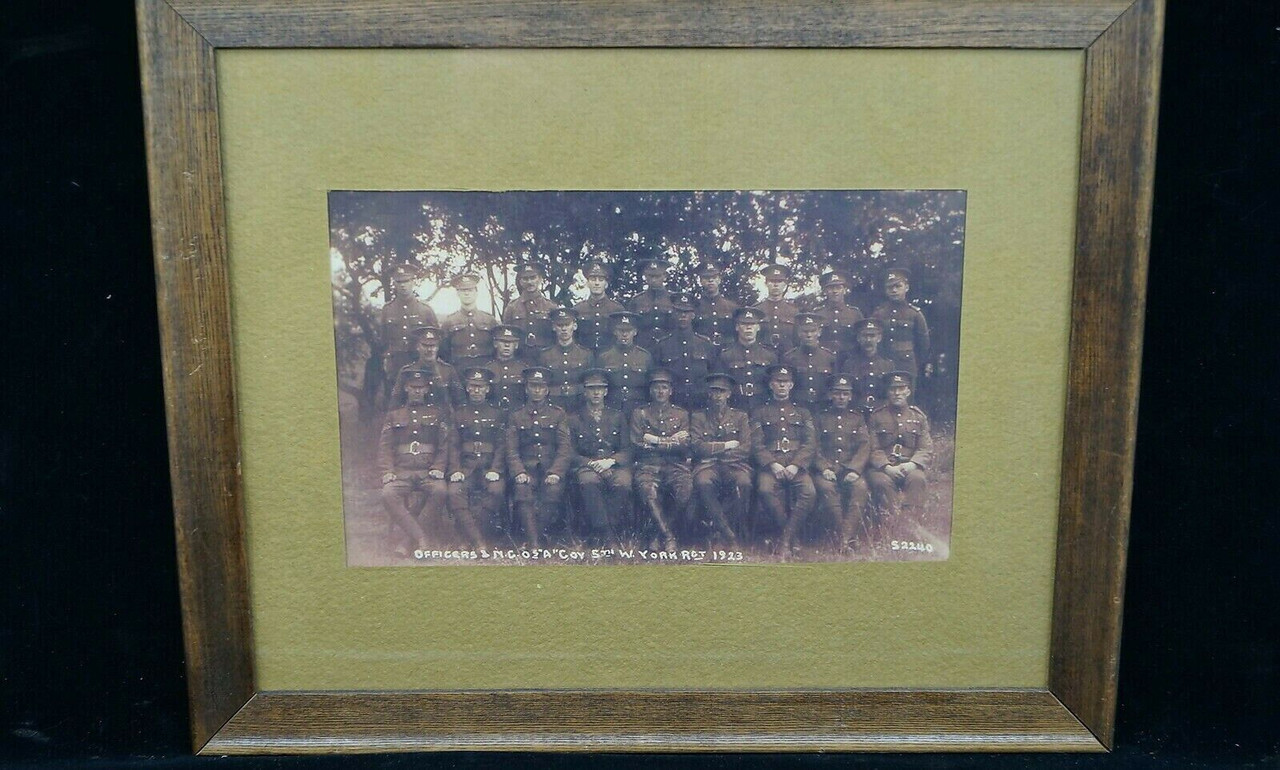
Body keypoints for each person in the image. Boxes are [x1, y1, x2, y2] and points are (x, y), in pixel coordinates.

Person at [377, 371, 457, 556]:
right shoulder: (394, 415)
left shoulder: (437, 414)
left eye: (420, 388)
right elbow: (385, 447)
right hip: (402, 471)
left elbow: (444, 446)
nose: (417, 392)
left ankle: (407, 542)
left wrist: (438, 468)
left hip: (427, 471)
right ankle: (421, 538)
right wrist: (387, 471)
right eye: (413, 388)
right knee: (387, 494)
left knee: (440, 491)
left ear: (427, 389)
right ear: (406, 388)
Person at [751, 365, 817, 558]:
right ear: (771, 385)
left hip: (796, 464)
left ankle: (785, 539)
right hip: (772, 464)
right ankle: (791, 539)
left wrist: (796, 464)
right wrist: (772, 464)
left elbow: (810, 443)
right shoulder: (759, 412)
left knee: (809, 492)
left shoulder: (803, 412)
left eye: (785, 382)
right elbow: (756, 443)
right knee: (764, 489)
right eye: (778, 382)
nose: (782, 386)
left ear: (791, 385)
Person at [865, 371, 935, 544]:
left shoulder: (918, 416)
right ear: (887, 392)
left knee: (918, 479)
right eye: (892, 389)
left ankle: (911, 527)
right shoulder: (876, 416)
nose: (897, 393)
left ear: (908, 391)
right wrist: (887, 467)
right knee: (882, 483)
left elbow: (926, 448)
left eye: (901, 388)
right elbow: (872, 447)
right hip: (883, 468)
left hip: (909, 465)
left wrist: (912, 464)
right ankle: (888, 528)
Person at [505, 367, 571, 547]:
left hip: (550, 467)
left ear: (547, 390)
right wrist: (519, 471)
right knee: (522, 490)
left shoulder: (558, 414)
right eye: (533, 386)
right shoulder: (516, 415)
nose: (537, 390)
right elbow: (511, 450)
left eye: (541, 387)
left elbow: (564, 447)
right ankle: (535, 543)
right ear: (526, 388)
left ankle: (535, 537)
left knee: (553, 491)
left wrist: (556, 472)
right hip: (526, 469)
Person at [567, 369, 633, 545]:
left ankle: (608, 528)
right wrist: (591, 463)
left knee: (623, 484)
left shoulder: (617, 416)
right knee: (589, 482)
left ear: (606, 391)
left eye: (600, 388)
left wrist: (610, 461)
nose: (596, 393)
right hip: (587, 466)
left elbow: (627, 449)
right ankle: (606, 534)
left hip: (613, 464)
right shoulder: (574, 418)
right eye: (591, 389)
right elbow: (570, 452)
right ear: (585, 391)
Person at [629, 369, 692, 551]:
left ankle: (658, 534)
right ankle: (669, 536)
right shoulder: (640, 413)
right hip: (648, 464)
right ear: (651, 391)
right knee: (648, 490)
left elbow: (685, 444)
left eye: (664, 388)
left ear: (671, 391)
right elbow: (637, 443)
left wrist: (655, 440)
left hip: (675, 464)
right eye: (656, 388)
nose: (660, 392)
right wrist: (672, 440)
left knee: (684, 490)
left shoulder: (681, 414)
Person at [689, 373, 752, 549]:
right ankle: (728, 534)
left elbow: (746, 447)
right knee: (703, 483)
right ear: (708, 394)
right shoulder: (699, 417)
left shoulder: (740, 417)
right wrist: (726, 445)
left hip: (734, 464)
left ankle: (719, 529)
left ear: (729, 394)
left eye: (721, 392)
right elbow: (696, 445)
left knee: (744, 483)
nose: (717, 396)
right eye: (713, 392)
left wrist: (718, 454)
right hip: (707, 466)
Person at [446, 368, 506, 547]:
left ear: (488, 389)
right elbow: (454, 446)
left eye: (481, 387)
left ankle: (477, 536)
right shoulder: (459, 414)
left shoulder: (497, 413)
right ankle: (478, 540)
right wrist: (456, 470)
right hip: (466, 467)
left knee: (495, 491)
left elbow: (502, 446)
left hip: (489, 467)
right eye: (473, 386)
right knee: (454, 491)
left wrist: (496, 469)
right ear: (467, 388)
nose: (477, 390)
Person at [811, 374, 872, 551]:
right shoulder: (820, 417)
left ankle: (844, 539)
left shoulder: (857, 417)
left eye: (845, 394)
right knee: (827, 489)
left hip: (849, 468)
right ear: (831, 395)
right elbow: (813, 446)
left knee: (860, 488)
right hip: (826, 469)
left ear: (851, 396)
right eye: (837, 393)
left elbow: (864, 445)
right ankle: (843, 538)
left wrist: (854, 469)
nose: (841, 397)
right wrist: (824, 468)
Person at [381, 263, 439, 400]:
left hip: (421, 365)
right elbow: (383, 341)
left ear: (413, 282)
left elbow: (437, 340)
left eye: (406, 281)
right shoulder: (387, 310)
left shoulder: (425, 310)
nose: (403, 285)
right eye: (399, 281)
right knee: (396, 404)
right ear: (394, 283)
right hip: (396, 366)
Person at [652, 292, 718, 411]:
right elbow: (657, 376)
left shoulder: (705, 344)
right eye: (679, 312)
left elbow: (713, 374)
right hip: (673, 403)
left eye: (686, 312)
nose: (683, 316)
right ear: (673, 314)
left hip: (701, 403)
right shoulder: (663, 345)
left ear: (693, 315)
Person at [871, 266, 930, 383]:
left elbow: (923, 345)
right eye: (890, 287)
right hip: (883, 365)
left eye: (898, 286)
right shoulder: (879, 314)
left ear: (906, 287)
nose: (894, 290)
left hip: (907, 367)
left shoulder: (915, 314)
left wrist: (915, 363)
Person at [716, 307, 777, 413]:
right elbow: (722, 385)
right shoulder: (726, 355)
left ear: (758, 327)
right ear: (737, 327)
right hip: (736, 406)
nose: (748, 328)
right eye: (744, 324)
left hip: (763, 406)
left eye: (752, 324)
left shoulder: (769, 355)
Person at [388, 325, 463, 410]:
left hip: (442, 420)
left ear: (438, 347)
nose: (429, 350)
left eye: (433, 346)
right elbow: (395, 404)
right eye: (425, 345)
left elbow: (460, 402)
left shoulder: (448, 371)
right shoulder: (407, 372)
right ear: (418, 347)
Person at [596, 311, 654, 416]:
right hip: (612, 408)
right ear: (615, 332)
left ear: (635, 332)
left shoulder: (645, 356)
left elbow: (650, 386)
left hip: (638, 408)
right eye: (621, 330)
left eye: (628, 330)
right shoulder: (604, 357)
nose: (625, 334)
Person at [538, 307, 595, 412]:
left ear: (574, 326)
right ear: (554, 327)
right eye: (560, 325)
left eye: (567, 325)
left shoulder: (586, 354)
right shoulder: (545, 355)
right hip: (553, 405)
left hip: (579, 405)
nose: (564, 329)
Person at [439, 273, 497, 371]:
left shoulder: (489, 320)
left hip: (485, 374)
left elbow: (497, 350)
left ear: (476, 292)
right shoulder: (449, 322)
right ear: (457, 293)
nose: (467, 294)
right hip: (458, 373)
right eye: (463, 290)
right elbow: (443, 353)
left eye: (470, 290)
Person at [840, 318, 896, 415]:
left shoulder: (888, 365)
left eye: (872, 336)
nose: (868, 340)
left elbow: (890, 394)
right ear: (858, 338)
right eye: (864, 336)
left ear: (879, 338)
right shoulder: (849, 364)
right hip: (856, 413)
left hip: (882, 414)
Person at [781, 312, 838, 409]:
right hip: (798, 407)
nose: (809, 335)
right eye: (805, 331)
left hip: (823, 407)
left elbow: (834, 385)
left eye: (812, 331)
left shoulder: (829, 357)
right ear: (799, 333)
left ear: (819, 332)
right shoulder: (789, 358)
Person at [503, 264, 558, 360]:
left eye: (533, 278)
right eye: (525, 279)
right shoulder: (512, 307)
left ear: (540, 279)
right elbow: (506, 336)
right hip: (520, 359)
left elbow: (556, 338)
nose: (529, 282)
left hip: (545, 359)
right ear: (520, 281)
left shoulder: (551, 307)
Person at [573, 261, 626, 352]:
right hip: (585, 358)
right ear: (588, 283)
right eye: (593, 279)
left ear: (606, 284)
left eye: (601, 280)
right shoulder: (578, 309)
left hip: (609, 358)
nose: (597, 283)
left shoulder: (617, 309)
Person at [627, 259, 674, 352]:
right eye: (650, 276)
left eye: (657, 276)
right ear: (645, 276)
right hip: (644, 349)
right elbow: (630, 327)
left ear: (664, 277)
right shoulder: (637, 300)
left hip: (669, 349)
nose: (653, 280)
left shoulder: (674, 299)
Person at [753, 263, 800, 352]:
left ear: (785, 284)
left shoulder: (793, 311)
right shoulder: (757, 309)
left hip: (787, 358)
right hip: (763, 358)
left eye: (779, 281)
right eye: (772, 281)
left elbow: (797, 340)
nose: (775, 285)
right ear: (766, 283)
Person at [815, 271, 864, 353]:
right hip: (825, 361)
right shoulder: (818, 314)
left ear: (845, 290)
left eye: (838, 287)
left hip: (848, 361)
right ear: (825, 291)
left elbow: (862, 339)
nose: (835, 291)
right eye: (831, 288)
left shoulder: (854, 314)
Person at [692, 262, 738, 348]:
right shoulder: (695, 307)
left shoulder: (732, 307)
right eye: (706, 278)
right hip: (702, 351)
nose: (710, 281)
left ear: (719, 280)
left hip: (726, 351)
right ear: (701, 281)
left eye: (714, 277)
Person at [483, 325, 527, 411]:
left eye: (511, 342)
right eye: (502, 341)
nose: (507, 345)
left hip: (516, 415)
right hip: (493, 415)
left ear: (516, 345)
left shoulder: (524, 369)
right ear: (495, 344)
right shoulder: (487, 369)